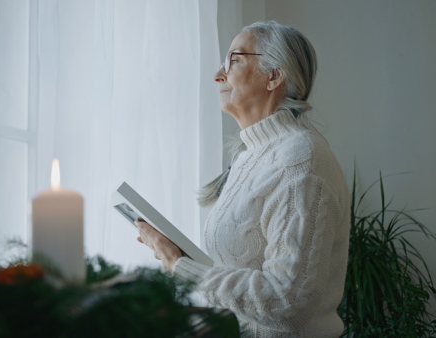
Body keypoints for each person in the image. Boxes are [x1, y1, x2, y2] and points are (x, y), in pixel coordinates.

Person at [136, 21, 350, 337]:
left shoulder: (300, 157)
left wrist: (179, 265)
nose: (218, 75)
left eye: (234, 60)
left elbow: (287, 303)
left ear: (274, 76)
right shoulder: (252, 156)